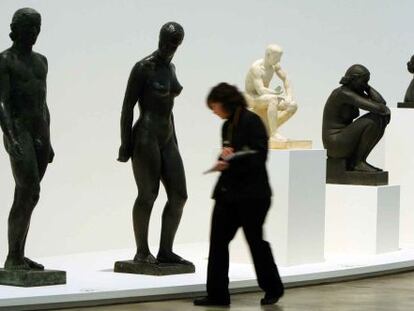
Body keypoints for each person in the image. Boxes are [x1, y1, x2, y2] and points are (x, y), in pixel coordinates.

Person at [194, 83, 284, 306]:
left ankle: (273, 288)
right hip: (228, 194)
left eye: (214, 106)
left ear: (225, 102)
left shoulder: (252, 121)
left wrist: (233, 160)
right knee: (217, 243)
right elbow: (232, 151)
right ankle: (217, 294)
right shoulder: (227, 126)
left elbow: (259, 156)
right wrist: (224, 157)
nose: (213, 111)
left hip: (252, 195)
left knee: (255, 241)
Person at [118, 22, 191, 265]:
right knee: (148, 194)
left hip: (168, 136)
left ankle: (166, 250)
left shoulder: (171, 68)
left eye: (177, 43)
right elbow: (127, 107)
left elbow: (169, 110)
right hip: (146, 135)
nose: (172, 47)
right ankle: (141, 251)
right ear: (160, 39)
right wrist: (125, 143)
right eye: (170, 41)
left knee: (179, 195)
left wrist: (176, 141)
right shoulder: (143, 68)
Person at [0, 8, 54, 270]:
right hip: (19, 130)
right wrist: (10, 136)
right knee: (27, 190)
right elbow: (1, 102)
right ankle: (12, 257)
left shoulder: (42, 61)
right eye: (30, 27)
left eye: (37, 27)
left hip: (40, 132)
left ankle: (19, 254)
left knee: (31, 194)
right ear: (16, 28)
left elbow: (44, 102)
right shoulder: (5, 60)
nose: (34, 32)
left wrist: (49, 138)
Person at [322, 64, 390, 172]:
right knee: (374, 119)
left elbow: (382, 103)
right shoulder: (343, 93)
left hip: (343, 138)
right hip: (335, 142)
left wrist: (367, 87)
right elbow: (379, 108)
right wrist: (383, 110)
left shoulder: (354, 91)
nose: (365, 84)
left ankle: (359, 160)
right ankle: (358, 162)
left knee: (381, 118)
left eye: (367, 81)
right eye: (363, 81)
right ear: (353, 79)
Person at [245, 44, 297, 142]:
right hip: (252, 97)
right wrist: (275, 93)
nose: (279, 60)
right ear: (268, 55)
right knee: (272, 99)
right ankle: (273, 134)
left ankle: (268, 129)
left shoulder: (275, 65)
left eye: (280, 58)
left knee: (292, 105)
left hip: (266, 96)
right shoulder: (256, 68)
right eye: (277, 57)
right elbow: (260, 90)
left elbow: (286, 78)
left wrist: (289, 95)